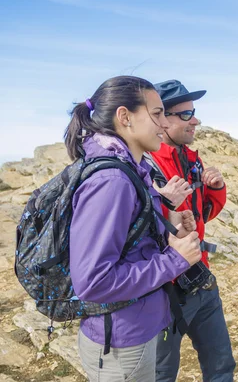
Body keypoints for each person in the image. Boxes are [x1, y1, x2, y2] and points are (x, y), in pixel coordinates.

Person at [65, 76, 202, 381]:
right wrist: (175, 260)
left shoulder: (130, 169)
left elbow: (128, 241)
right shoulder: (112, 181)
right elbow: (92, 282)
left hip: (132, 328)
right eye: (156, 114)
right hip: (122, 342)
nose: (164, 124)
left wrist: (169, 228)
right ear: (125, 117)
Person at [147, 80, 236, 382]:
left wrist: (217, 189)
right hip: (164, 290)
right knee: (161, 374)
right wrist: (165, 205)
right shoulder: (146, 166)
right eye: (185, 114)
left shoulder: (190, 159)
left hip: (201, 278)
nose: (195, 120)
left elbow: (203, 215)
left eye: (194, 112)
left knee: (222, 365)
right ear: (161, 119)